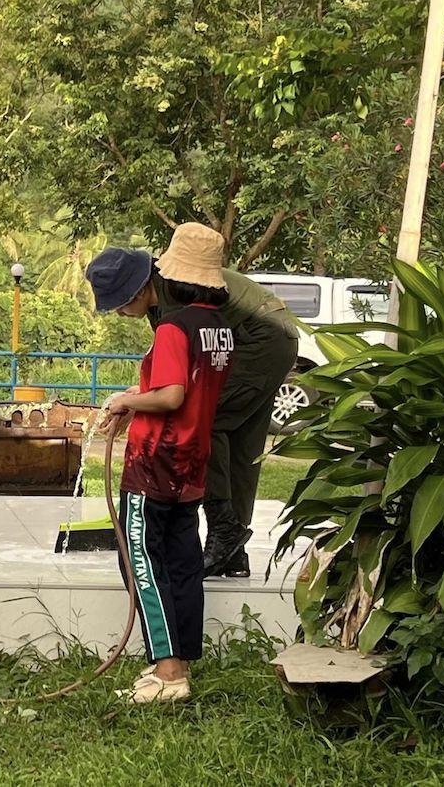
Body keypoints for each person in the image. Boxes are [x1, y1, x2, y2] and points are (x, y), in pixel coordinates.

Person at [85, 230, 298, 578]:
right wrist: (137, 401)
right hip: (273, 336)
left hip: (260, 338)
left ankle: (224, 529)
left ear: (139, 290)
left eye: (120, 304)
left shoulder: (175, 292)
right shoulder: (163, 292)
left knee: (203, 421)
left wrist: (136, 402)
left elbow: (177, 391)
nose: (120, 313)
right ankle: (232, 549)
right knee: (240, 439)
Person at [95, 223, 234, 703]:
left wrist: (123, 400)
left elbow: (172, 395)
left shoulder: (174, 327)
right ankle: (182, 663)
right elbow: (190, 390)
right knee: (182, 560)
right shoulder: (218, 328)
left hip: (155, 462)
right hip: (191, 462)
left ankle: (168, 672)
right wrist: (135, 401)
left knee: (141, 560)